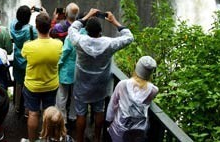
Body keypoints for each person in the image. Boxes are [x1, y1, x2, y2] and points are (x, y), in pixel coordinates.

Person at [68, 9, 134, 142]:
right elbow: (129, 37)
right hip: (100, 85)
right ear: (100, 31)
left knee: (81, 113)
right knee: (99, 111)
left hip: (82, 84)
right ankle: (97, 138)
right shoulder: (109, 43)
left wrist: (86, 16)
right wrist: (114, 21)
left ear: (87, 31)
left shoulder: (80, 41)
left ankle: (79, 139)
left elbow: (73, 28)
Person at [22, 12, 63, 141]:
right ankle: (47, 139)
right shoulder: (58, 44)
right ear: (50, 27)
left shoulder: (28, 46)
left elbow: (24, 56)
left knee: (33, 113)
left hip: (32, 86)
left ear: (36, 27)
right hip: (51, 84)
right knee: (49, 114)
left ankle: (32, 140)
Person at [106, 56, 158, 142]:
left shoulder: (122, 84)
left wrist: (109, 120)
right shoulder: (153, 90)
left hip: (120, 128)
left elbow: (112, 105)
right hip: (139, 130)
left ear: (137, 68)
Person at [9, 5, 38, 115]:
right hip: (28, 60)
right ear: (29, 18)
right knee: (29, 85)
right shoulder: (31, 30)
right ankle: (27, 110)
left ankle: (17, 107)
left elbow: (16, 20)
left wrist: (24, 13)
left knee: (19, 83)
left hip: (17, 58)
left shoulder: (12, 26)